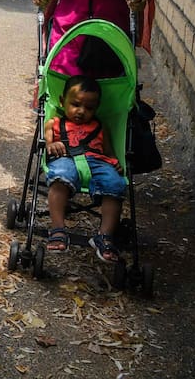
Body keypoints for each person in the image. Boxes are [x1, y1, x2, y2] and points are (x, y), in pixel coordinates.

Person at [44, 75, 125, 261]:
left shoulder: (100, 126)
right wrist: (52, 145)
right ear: (63, 101)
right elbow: (47, 145)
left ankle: (104, 236)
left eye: (89, 108)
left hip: (97, 162)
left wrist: (114, 162)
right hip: (65, 158)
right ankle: (58, 229)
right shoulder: (54, 123)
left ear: (96, 108)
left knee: (115, 184)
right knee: (60, 177)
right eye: (75, 104)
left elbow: (109, 152)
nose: (81, 111)